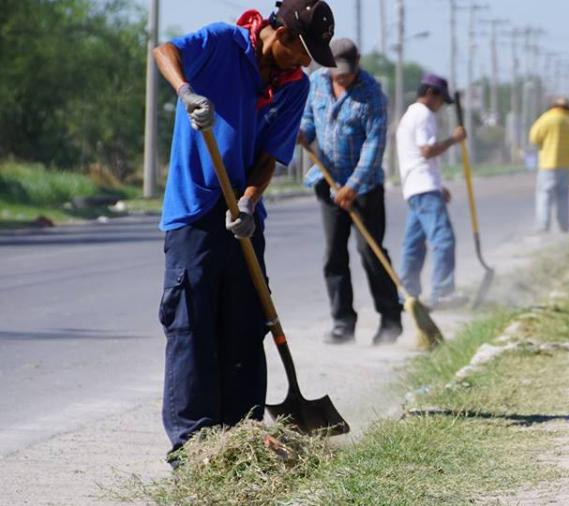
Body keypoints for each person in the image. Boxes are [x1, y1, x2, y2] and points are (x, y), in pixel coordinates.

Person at [152, 0, 336, 464]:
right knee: (192, 328)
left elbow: (269, 156)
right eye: (302, 51)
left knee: (244, 326)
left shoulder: (296, 86)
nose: (306, 61)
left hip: (245, 220)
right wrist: (186, 91)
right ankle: (192, 447)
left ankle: (242, 437)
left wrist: (250, 202)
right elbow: (164, 51)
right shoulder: (221, 43)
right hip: (194, 211)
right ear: (283, 35)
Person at [298, 38, 403, 345]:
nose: (341, 77)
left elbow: (374, 147)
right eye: (336, 72)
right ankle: (343, 322)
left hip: (365, 187)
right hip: (327, 181)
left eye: (347, 71)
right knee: (334, 254)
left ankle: (390, 320)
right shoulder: (316, 83)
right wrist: (302, 134)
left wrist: (353, 186)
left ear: (358, 61)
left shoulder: (372, 95)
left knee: (370, 252)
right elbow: (308, 120)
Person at [396, 74, 468, 309]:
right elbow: (426, 151)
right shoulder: (424, 114)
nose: (440, 107)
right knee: (443, 240)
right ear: (430, 94)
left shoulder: (408, 115)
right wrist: (453, 140)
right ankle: (442, 293)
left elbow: (418, 157)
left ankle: (407, 295)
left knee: (413, 245)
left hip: (415, 187)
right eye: (440, 100)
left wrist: (438, 186)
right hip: (423, 186)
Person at [529, 97, 569, 233]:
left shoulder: (546, 119)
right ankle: (564, 226)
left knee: (545, 194)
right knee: (563, 196)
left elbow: (534, 138)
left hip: (548, 163)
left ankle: (543, 225)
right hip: (566, 164)